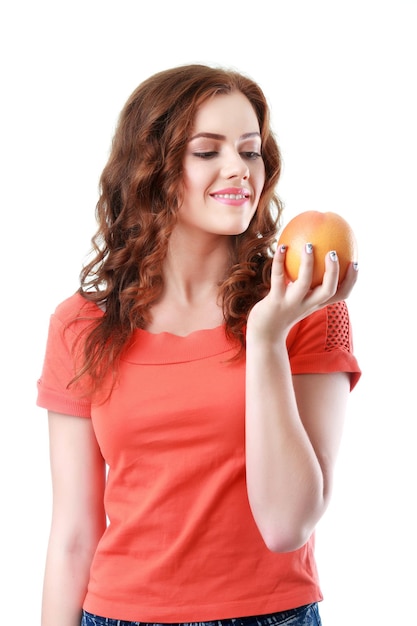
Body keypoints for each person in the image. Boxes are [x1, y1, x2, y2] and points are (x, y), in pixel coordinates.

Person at [37, 64, 361, 626]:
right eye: (207, 151)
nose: (239, 169)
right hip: (117, 617)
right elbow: (72, 535)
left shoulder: (306, 308)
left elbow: (288, 525)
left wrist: (265, 339)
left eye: (250, 151)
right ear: (149, 169)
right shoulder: (80, 325)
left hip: (272, 616)